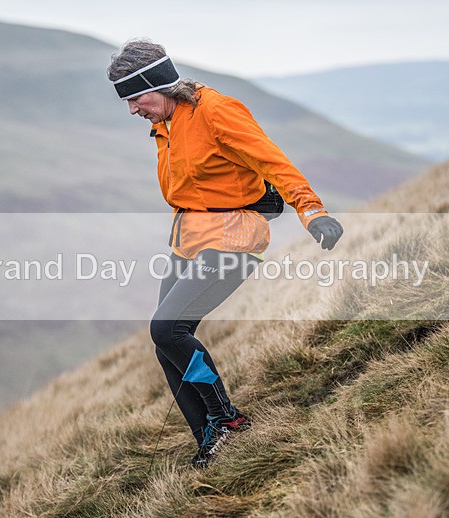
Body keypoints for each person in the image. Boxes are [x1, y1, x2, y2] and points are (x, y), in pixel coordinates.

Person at [107, 39, 343, 468]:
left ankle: (227, 421)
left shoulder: (216, 110)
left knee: (167, 328)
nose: (132, 109)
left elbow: (274, 163)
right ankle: (209, 440)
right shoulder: (166, 120)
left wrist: (312, 211)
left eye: (136, 98)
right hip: (189, 236)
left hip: (235, 238)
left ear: (160, 84)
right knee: (165, 341)